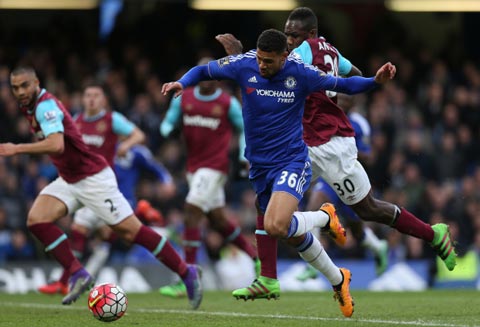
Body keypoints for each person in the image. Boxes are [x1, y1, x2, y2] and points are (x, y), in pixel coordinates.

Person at [216, 7, 456, 302]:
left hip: (322, 144)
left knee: (354, 209)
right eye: (287, 34)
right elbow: (350, 75)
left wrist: (240, 54)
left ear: (310, 35)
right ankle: (290, 277)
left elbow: (270, 65)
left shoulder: (303, 52)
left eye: (294, 35)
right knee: (279, 207)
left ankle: (425, 233)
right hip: (318, 142)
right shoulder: (330, 51)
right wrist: (345, 96)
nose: (289, 40)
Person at [162, 28, 396, 317]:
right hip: (259, 164)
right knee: (289, 233)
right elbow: (203, 71)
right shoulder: (244, 63)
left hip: (291, 161)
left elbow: (345, 85)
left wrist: (375, 81)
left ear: (285, 56)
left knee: (275, 226)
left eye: (268, 61)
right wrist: (181, 82)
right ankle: (332, 279)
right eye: (260, 59)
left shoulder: (302, 73)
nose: (262, 65)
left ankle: (324, 217)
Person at [3, 67, 202, 309]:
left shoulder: (46, 106)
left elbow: (56, 145)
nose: (21, 91)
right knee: (37, 219)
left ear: (36, 82)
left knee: (132, 232)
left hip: (94, 179)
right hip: (70, 179)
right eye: (15, 87)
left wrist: (17, 148)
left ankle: (186, 272)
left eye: (25, 85)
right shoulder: (38, 108)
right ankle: (78, 273)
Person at [158, 59, 259, 298]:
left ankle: (189, 275)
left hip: (215, 167)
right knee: (218, 222)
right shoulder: (184, 98)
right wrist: (167, 130)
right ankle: (256, 258)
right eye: (200, 74)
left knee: (191, 210)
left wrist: (245, 152)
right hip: (193, 168)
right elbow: (167, 123)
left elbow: (244, 126)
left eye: (208, 75)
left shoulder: (226, 103)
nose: (204, 79)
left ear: (217, 78)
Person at [38, 83, 146, 295]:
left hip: (100, 184)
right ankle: (68, 280)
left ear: (103, 99)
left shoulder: (111, 120)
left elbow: (139, 135)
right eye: (88, 95)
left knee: (90, 231)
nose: (91, 99)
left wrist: (125, 145)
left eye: (96, 95)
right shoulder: (75, 121)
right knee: (93, 233)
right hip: (81, 184)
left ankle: (66, 280)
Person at [298, 94, 388, 281]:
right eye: (341, 99)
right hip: (329, 177)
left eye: (347, 100)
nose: (343, 102)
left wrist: (346, 147)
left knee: (357, 230)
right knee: (314, 205)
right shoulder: (324, 116)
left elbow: (369, 156)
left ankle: (378, 247)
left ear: (353, 103)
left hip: (348, 176)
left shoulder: (359, 124)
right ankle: (312, 265)